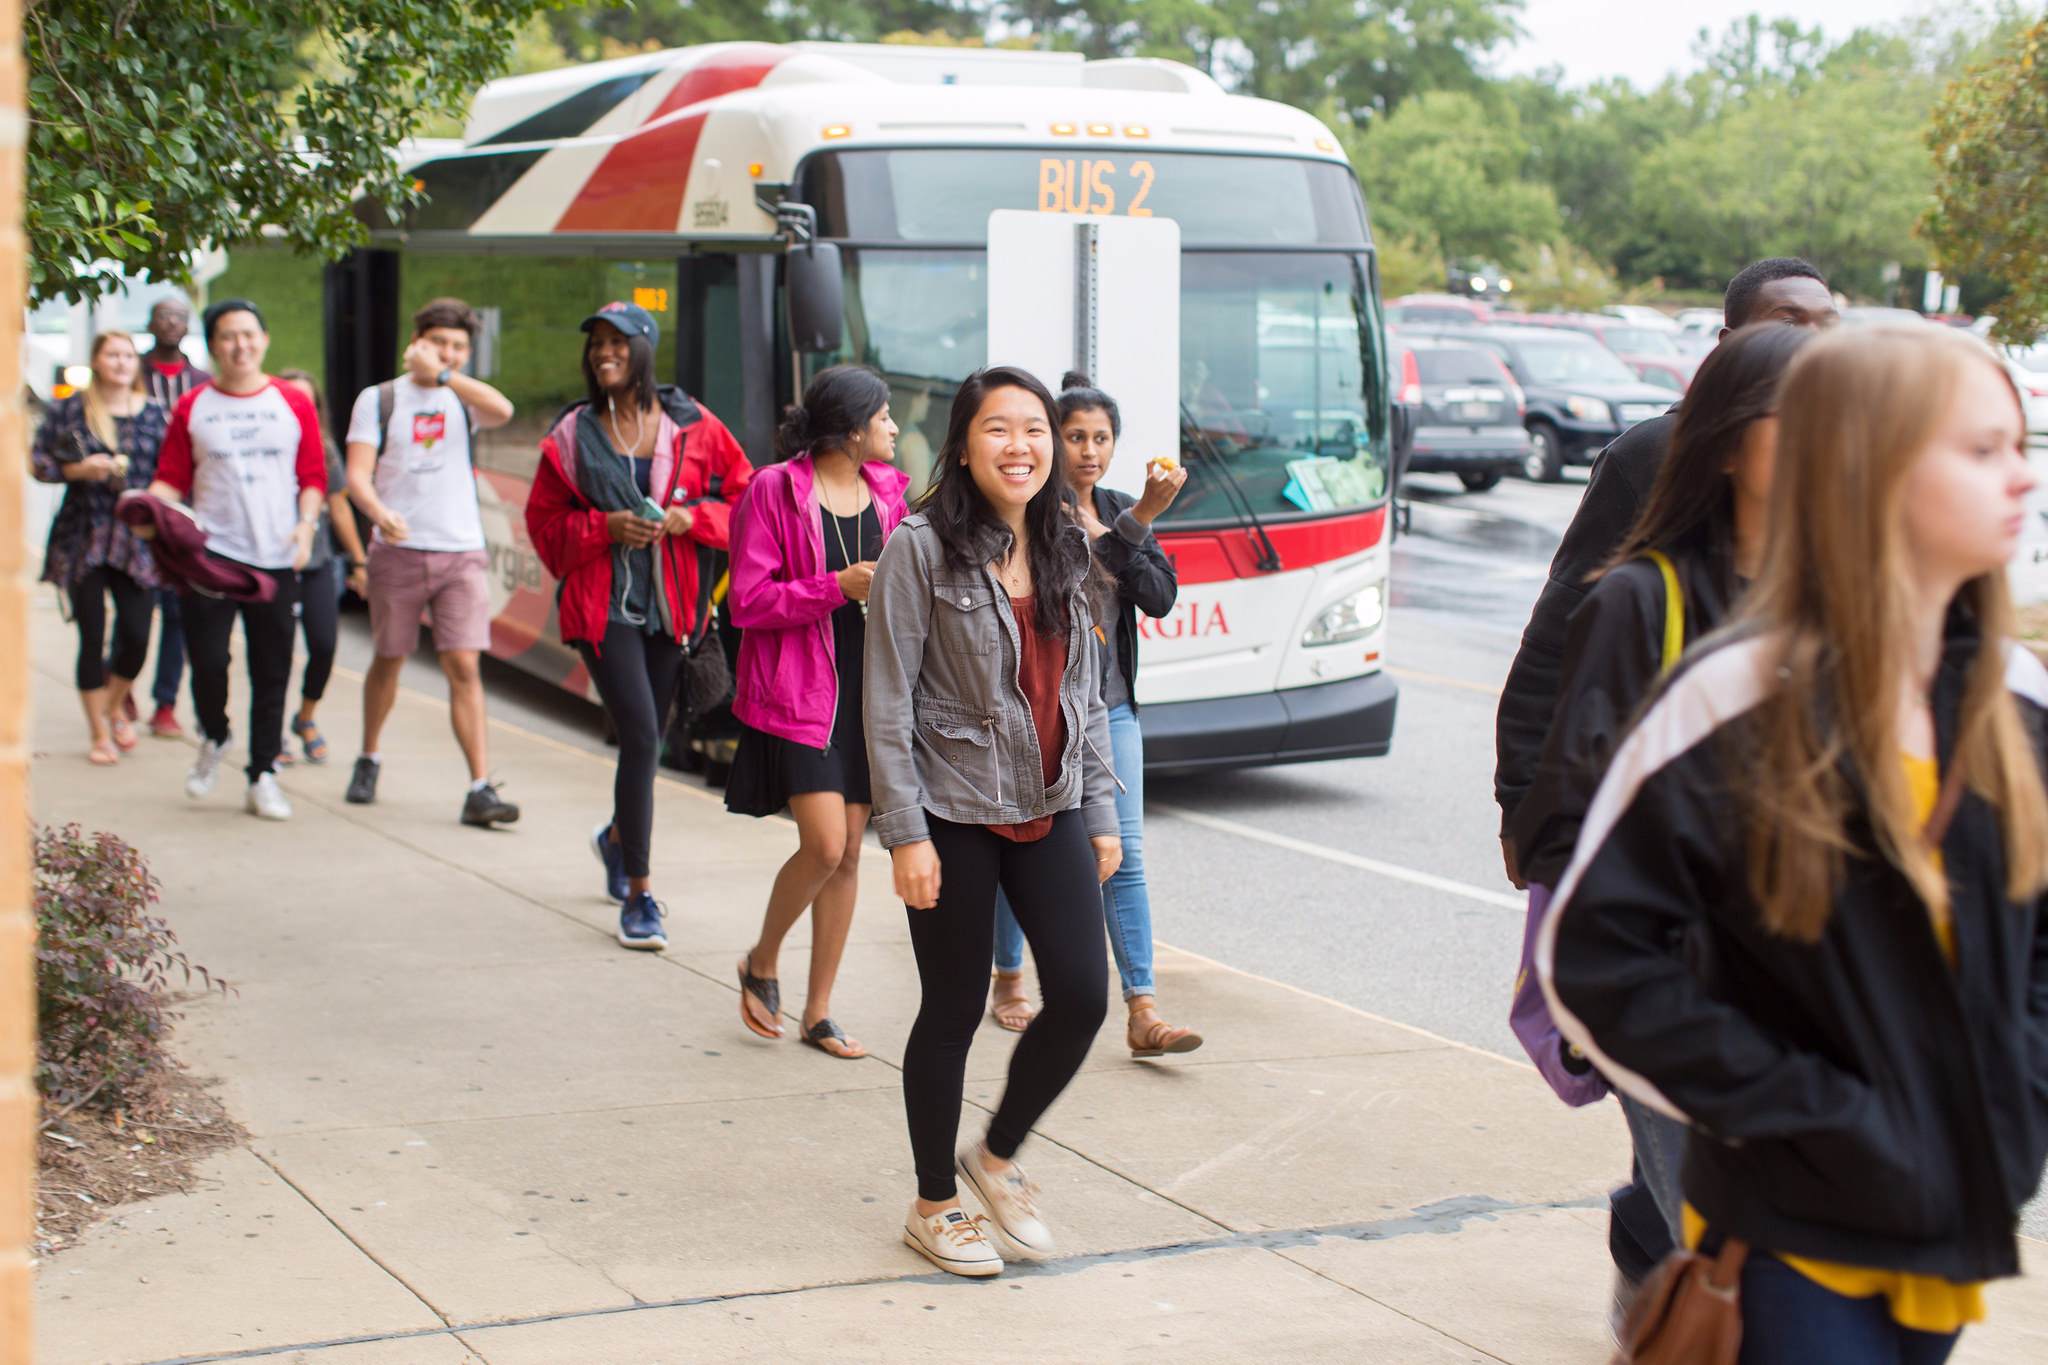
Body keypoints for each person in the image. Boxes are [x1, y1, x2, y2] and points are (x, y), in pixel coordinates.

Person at [1540, 324, 2048, 1364]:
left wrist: (2009, 1101)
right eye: (1980, 449)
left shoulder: (2016, 705)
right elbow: (1592, 958)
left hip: (1944, 1234)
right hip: (1784, 1246)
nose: (2021, 479)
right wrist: (1806, 1119)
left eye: (2020, 447)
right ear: (1865, 467)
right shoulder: (1734, 700)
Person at [1510, 323, 1814, 1322]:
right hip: (1678, 1002)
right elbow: (1573, 817)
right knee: (1731, 1266)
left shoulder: (1838, 602)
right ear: (1729, 440)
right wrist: (1611, 992)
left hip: (1804, 1000)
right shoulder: (1641, 602)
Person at [867, 366, 1123, 1279]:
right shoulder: (920, 548)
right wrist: (904, 832)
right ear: (965, 444)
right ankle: (935, 1201)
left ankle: (997, 1154)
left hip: (1049, 801)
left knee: (1086, 998)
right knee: (952, 1009)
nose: (1021, 446)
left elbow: (1083, 693)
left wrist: (1099, 810)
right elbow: (887, 698)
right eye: (999, 429)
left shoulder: (1064, 541)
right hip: (951, 806)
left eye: (1036, 430)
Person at [1495, 258, 1838, 889]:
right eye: (1788, 322)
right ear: (1730, 346)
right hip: (1643, 841)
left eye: (1825, 323)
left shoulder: (1848, 466)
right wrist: (1519, 803)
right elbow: (1555, 637)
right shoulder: (1650, 459)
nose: (1811, 341)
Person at [525, 301, 753, 949]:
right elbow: (544, 529)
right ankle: (640, 894)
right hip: (603, 610)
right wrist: (605, 526)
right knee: (641, 734)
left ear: (644, 350)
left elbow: (744, 498)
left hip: (672, 607)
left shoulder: (693, 424)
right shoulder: (572, 435)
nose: (604, 355)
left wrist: (692, 519)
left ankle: (615, 838)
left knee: (647, 742)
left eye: (618, 345)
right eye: (596, 344)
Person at [989, 372, 1197, 1058]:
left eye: (1100, 438)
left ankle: (1142, 1006)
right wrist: (1139, 521)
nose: (1088, 450)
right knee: (1019, 840)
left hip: (1111, 708)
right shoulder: (1029, 510)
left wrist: (1132, 523)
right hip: (1036, 710)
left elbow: (1160, 595)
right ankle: (1009, 975)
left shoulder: (1115, 504)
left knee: (1125, 854)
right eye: (1074, 436)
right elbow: (1070, 582)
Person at [724, 365, 910, 1059]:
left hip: (872, 690)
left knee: (851, 854)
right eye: (885, 417)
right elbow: (747, 600)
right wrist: (835, 585)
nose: (894, 428)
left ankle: (819, 1011)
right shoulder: (774, 489)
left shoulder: (891, 494)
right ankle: (761, 958)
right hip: (802, 693)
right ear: (853, 428)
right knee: (825, 844)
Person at [341, 298, 519, 827]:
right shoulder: (380, 400)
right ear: (417, 340)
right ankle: (369, 756)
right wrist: (379, 514)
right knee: (390, 657)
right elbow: (357, 476)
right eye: (440, 342)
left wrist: (443, 375)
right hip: (398, 551)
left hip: (460, 550)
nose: (451, 353)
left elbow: (504, 410)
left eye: (460, 347)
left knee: (464, 665)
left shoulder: (463, 398)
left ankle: (479, 787)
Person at [147, 299, 326, 820]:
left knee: (272, 669)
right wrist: (145, 505)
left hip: (275, 556)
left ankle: (263, 773)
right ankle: (215, 734)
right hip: (211, 557)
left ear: (265, 340)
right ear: (214, 345)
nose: (240, 345)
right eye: (228, 336)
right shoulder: (193, 407)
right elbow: (171, 477)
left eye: (249, 334)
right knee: (207, 661)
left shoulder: (293, 402)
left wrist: (306, 524)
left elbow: (312, 475)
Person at [31, 331, 166, 765]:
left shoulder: (156, 416)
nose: (122, 363)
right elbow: (39, 461)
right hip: (84, 535)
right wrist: (78, 469)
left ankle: (113, 707)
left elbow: (174, 471)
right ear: (96, 361)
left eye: (128, 355)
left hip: (137, 540)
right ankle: (98, 733)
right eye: (113, 355)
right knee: (91, 636)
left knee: (137, 636)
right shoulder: (73, 409)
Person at [271, 370, 367, 767]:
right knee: (275, 653)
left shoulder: (324, 448)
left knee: (324, 645)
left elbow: (340, 506)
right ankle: (272, 733)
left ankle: (305, 717)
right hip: (274, 564)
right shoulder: (264, 447)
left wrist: (359, 561)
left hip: (318, 563)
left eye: (306, 402)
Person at [138, 296, 210, 739]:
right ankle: (121, 676)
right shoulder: (132, 373)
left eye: (179, 318)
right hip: (141, 504)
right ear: (150, 322)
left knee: (178, 611)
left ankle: (165, 702)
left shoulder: (202, 383)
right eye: (163, 315)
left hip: (187, 509)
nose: (170, 323)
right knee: (135, 606)